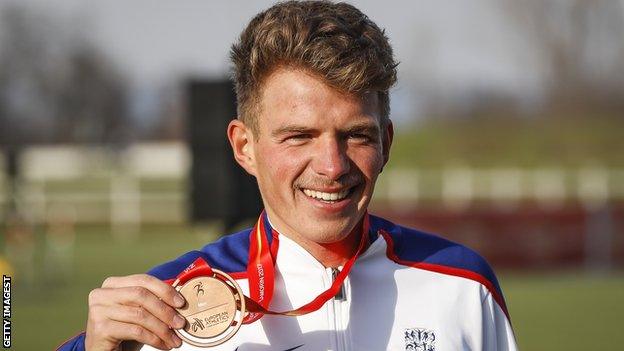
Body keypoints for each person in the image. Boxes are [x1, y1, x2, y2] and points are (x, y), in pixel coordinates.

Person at [59, 1, 517, 350]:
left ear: (386, 144)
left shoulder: (463, 285)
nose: (332, 166)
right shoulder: (166, 307)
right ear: (245, 147)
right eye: (299, 136)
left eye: (356, 135)